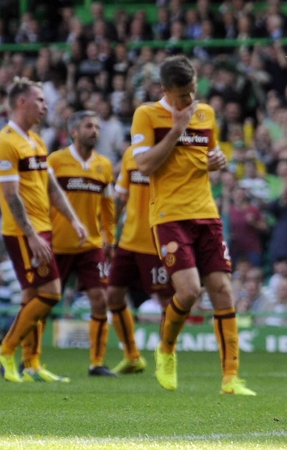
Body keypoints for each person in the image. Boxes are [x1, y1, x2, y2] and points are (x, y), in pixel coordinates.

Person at [131, 55, 255, 395]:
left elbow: (209, 155)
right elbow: (143, 166)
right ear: (165, 90)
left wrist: (218, 160)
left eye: (193, 92)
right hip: (169, 216)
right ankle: (166, 351)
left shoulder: (206, 114)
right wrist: (176, 129)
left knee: (223, 291)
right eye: (182, 94)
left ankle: (231, 377)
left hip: (206, 213)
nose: (189, 100)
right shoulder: (146, 115)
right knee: (187, 292)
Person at [0, 77, 87, 383]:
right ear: (22, 102)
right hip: (22, 232)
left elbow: (51, 186)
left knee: (32, 295)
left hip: (42, 227)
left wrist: (72, 219)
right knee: (51, 293)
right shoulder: (5, 142)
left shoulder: (36, 139)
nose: (46, 106)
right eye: (40, 100)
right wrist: (31, 235)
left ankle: (31, 363)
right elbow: (10, 196)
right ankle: (5, 350)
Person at [42, 110, 116, 377]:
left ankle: (97, 363)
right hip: (57, 244)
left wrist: (110, 238)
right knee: (42, 302)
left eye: (97, 126)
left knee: (100, 299)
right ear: (73, 131)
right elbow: (41, 199)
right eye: (88, 126)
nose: (94, 130)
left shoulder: (104, 166)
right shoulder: (56, 161)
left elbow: (108, 206)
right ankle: (31, 360)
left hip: (91, 246)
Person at [106, 144, 177, 375]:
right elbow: (120, 198)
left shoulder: (171, 152)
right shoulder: (130, 154)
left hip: (158, 241)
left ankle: (166, 356)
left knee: (166, 302)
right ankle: (132, 356)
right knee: (114, 296)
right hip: (128, 241)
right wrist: (107, 232)